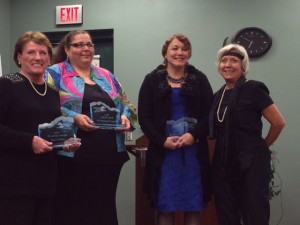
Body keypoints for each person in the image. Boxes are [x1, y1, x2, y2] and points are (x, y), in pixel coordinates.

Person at [45, 30, 137, 225]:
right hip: (72, 156)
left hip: (109, 155)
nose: (85, 48)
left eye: (89, 44)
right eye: (78, 45)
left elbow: (127, 105)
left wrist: (125, 116)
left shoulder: (108, 76)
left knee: (103, 210)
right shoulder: (54, 73)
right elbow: (44, 107)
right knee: (73, 211)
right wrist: (74, 117)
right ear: (67, 50)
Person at [0, 31, 79, 225]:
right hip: (14, 184)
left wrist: (65, 142)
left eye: (43, 53)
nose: (38, 57)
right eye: (31, 52)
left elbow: (51, 131)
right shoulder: (7, 84)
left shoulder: (52, 93)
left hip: (46, 182)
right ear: (19, 57)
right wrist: (29, 142)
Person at [138, 34, 213, 225]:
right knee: (165, 206)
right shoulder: (151, 80)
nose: (180, 52)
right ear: (165, 52)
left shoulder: (200, 79)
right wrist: (161, 140)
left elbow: (209, 115)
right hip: (164, 154)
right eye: (175, 48)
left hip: (193, 153)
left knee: (193, 206)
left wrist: (193, 135)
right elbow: (144, 118)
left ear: (189, 54)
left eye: (184, 49)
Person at [209, 44, 286, 225]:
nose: (228, 64)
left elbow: (278, 122)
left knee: (255, 214)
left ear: (243, 67)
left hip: (251, 162)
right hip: (222, 164)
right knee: (227, 215)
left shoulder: (254, 89)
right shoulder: (217, 96)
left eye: (234, 61)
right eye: (224, 60)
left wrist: (262, 146)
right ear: (219, 66)